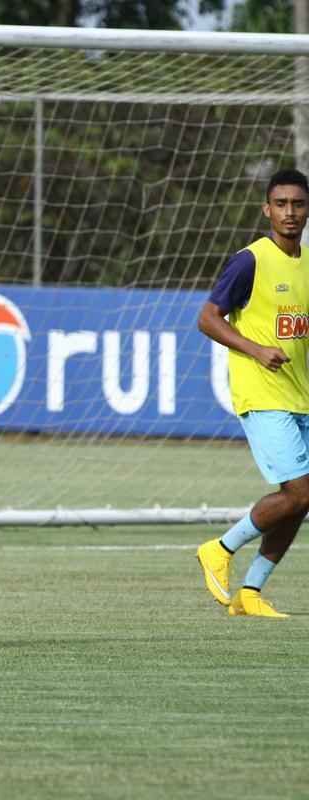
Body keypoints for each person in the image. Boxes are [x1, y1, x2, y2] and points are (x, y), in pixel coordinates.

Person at [196, 168, 309, 618]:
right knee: (301, 492)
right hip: (262, 395)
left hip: (301, 396)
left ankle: (250, 593)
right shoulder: (250, 260)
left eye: (298, 204)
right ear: (267, 209)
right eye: (280, 204)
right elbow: (207, 318)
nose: (289, 212)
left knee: (299, 501)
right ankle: (219, 548)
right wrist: (256, 349)